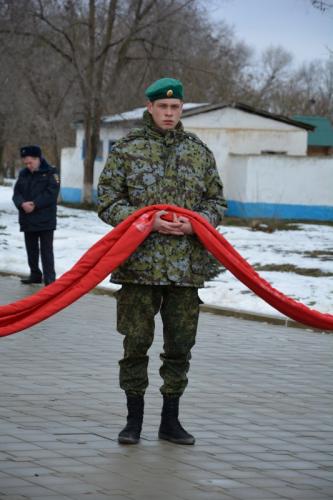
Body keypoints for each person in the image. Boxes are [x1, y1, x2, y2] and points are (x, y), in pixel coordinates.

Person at [97, 77, 227, 445]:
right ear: (150, 107)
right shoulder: (126, 149)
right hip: (139, 266)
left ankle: (170, 421)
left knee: (180, 346)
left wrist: (194, 224)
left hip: (186, 270)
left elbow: (216, 203)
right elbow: (107, 201)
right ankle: (133, 421)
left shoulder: (198, 152)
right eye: (163, 107)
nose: (169, 113)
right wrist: (145, 221)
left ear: (181, 108)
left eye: (175, 107)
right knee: (135, 343)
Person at [12, 145, 60, 286]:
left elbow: (51, 194)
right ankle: (35, 274)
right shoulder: (23, 174)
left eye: (30, 162)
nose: (28, 165)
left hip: (45, 219)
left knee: (46, 251)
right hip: (28, 219)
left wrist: (34, 204)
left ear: (38, 159)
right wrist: (21, 204)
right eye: (25, 163)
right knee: (31, 250)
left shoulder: (51, 172)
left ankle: (50, 279)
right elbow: (17, 193)